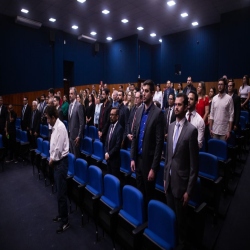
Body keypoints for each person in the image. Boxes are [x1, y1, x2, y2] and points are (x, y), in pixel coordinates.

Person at [164, 93, 199, 249]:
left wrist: (189, 191)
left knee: (181, 223)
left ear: (186, 107)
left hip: (182, 185)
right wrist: (165, 178)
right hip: (170, 182)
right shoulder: (170, 127)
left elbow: (194, 166)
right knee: (170, 219)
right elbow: (168, 157)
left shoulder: (191, 131)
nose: (176, 107)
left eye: (179, 105)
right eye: (175, 104)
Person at [130, 80, 164, 211]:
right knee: (139, 194)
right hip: (138, 161)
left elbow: (159, 144)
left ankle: (149, 224)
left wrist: (154, 168)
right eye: (142, 91)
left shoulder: (158, 113)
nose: (143, 94)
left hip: (149, 163)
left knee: (149, 197)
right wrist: (132, 158)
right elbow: (134, 136)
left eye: (146, 91)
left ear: (152, 93)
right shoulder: (138, 111)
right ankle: (141, 218)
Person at [47, 106, 69, 234]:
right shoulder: (55, 126)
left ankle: (65, 221)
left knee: (61, 193)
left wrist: (52, 159)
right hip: (57, 162)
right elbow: (53, 144)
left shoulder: (60, 127)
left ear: (54, 117)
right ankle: (61, 215)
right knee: (58, 191)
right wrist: (51, 156)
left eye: (49, 118)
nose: (48, 121)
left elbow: (59, 149)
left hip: (60, 162)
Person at [105, 107, 124, 179]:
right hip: (108, 160)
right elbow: (107, 141)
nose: (110, 116)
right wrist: (106, 153)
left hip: (115, 161)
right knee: (109, 180)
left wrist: (109, 154)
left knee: (114, 181)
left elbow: (117, 146)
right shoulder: (110, 126)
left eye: (112, 115)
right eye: (110, 114)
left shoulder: (120, 128)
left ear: (117, 116)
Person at [68, 87, 84, 159]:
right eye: (69, 94)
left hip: (76, 137)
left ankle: (77, 170)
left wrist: (79, 136)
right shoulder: (70, 105)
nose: (70, 95)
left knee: (76, 156)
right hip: (70, 135)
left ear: (75, 95)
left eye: (71, 94)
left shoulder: (79, 106)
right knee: (71, 156)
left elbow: (82, 123)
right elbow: (69, 121)